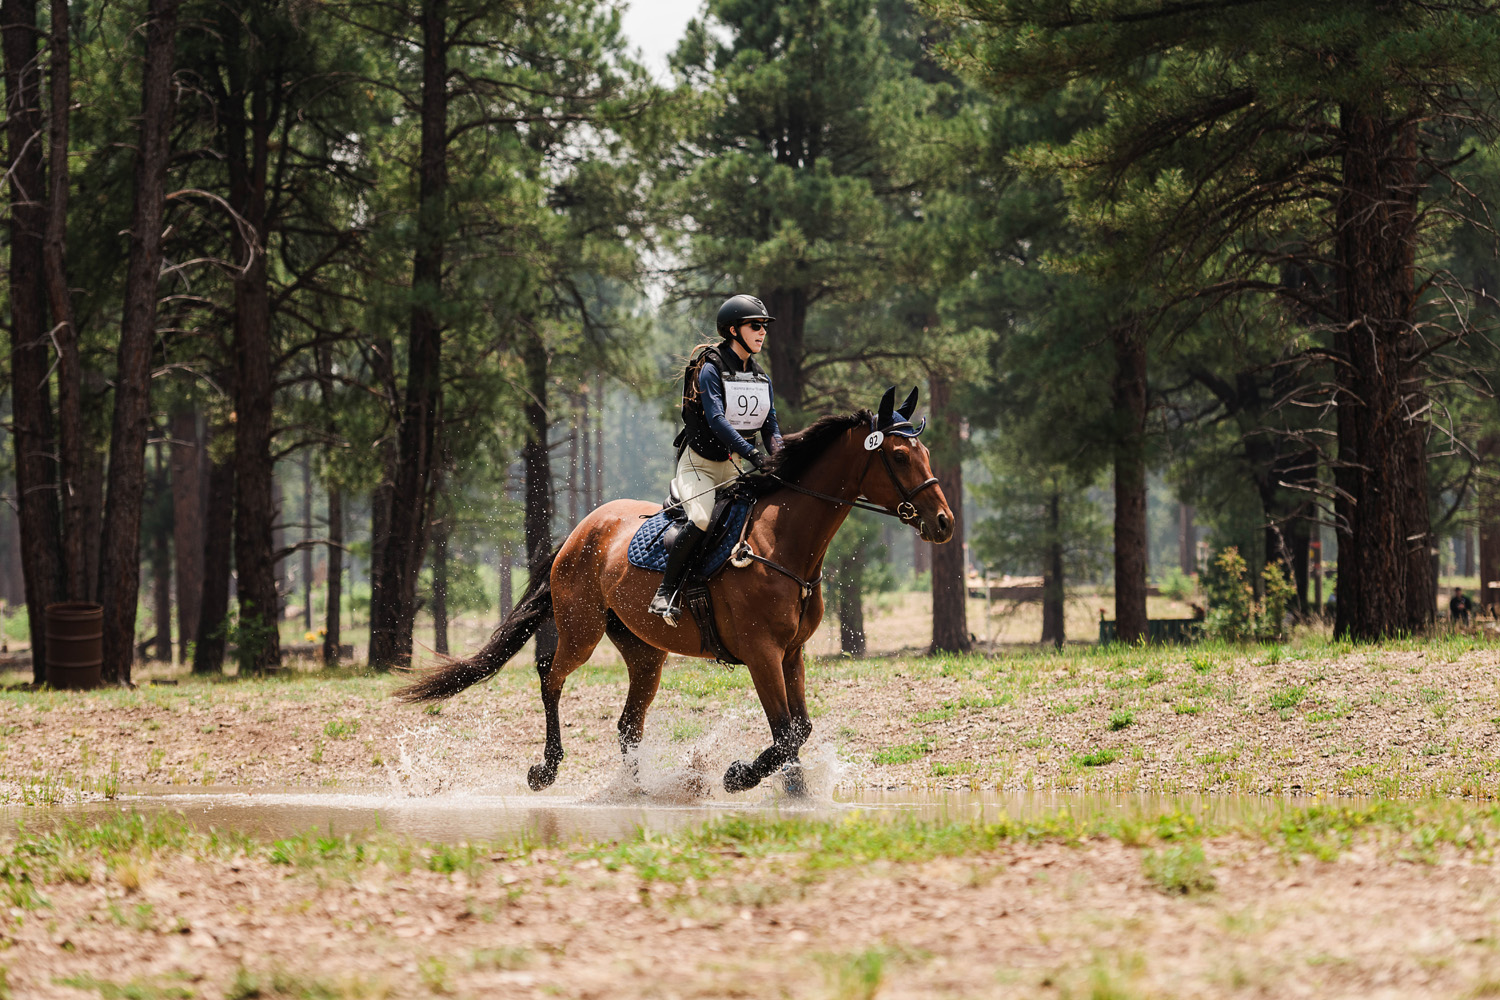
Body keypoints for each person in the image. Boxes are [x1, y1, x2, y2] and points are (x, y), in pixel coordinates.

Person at [649, 294, 784, 623]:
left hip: (735, 467)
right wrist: (753, 453)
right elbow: (717, 420)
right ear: (734, 330)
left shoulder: (758, 375)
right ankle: (666, 592)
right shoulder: (710, 369)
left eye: (764, 326)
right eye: (756, 326)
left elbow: (771, 425)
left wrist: (782, 457)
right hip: (701, 467)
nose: (762, 332)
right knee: (701, 519)